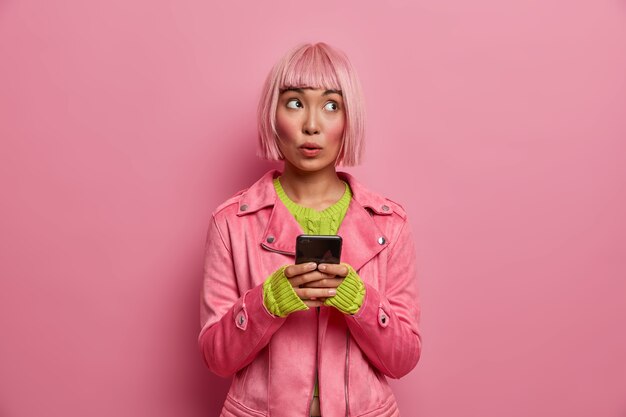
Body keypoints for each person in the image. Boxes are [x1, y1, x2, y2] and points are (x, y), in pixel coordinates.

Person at [199, 42, 421, 417]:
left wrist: (358, 301)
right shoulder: (231, 223)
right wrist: (268, 301)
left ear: (350, 120)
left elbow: (403, 360)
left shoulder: (390, 224)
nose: (312, 124)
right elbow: (216, 359)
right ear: (274, 114)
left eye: (331, 105)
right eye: (295, 103)